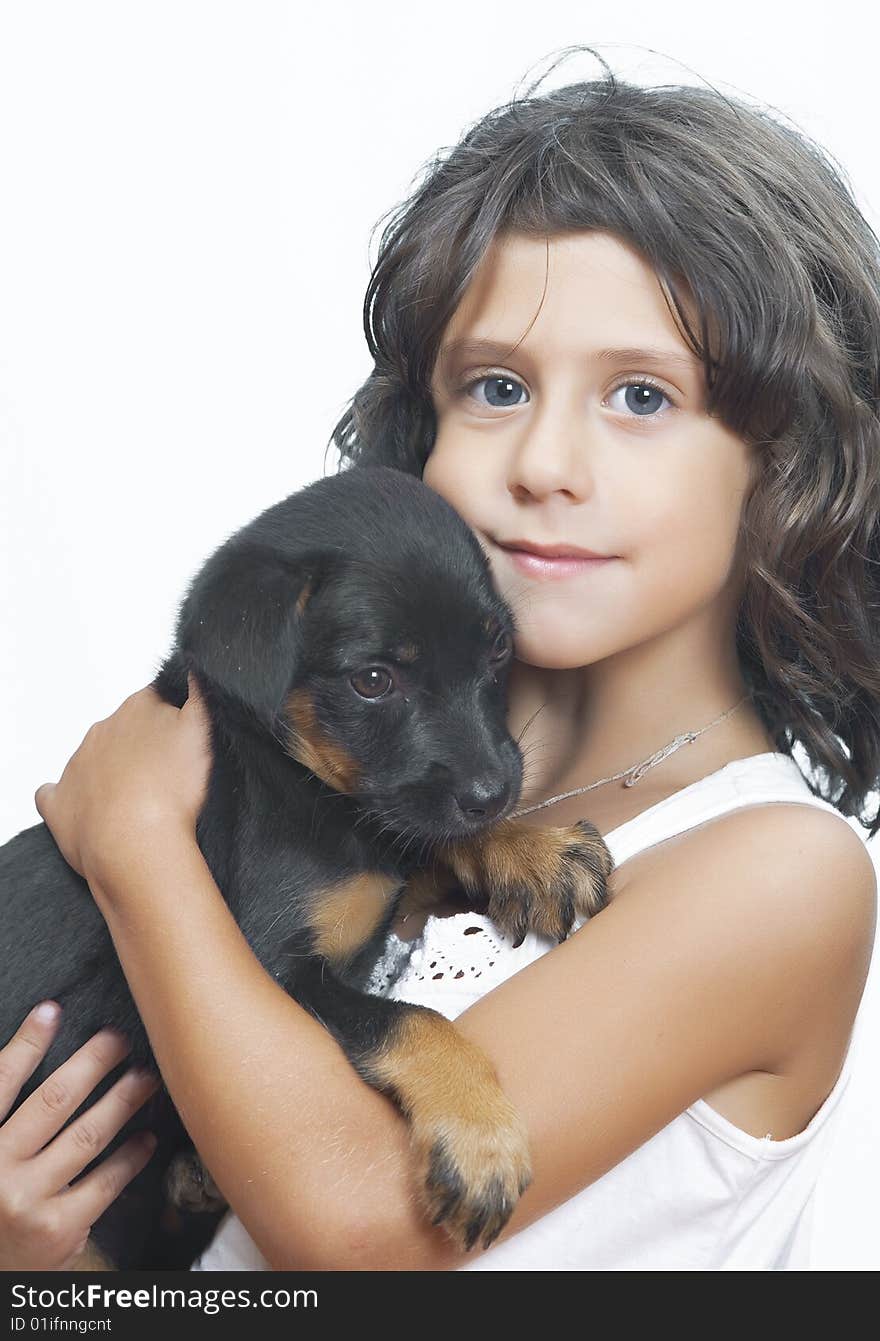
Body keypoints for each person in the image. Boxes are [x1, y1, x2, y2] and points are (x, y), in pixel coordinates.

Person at [1, 51, 878, 1272]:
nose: (544, 463)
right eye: (497, 386)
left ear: (786, 461)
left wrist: (138, 843)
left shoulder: (778, 872)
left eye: (639, 395)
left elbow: (358, 1233)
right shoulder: (378, 765)